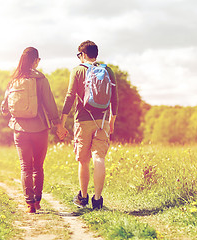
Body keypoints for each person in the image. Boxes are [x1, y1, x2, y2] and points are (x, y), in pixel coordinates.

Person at [1, 47, 67, 213]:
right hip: (40, 128)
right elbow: (50, 104)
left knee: (25, 167)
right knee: (38, 166)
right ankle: (37, 201)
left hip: (19, 129)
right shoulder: (41, 79)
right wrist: (58, 124)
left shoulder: (14, 80)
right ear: (36, 61)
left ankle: (29, 204)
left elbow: (4, 107)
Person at [61, 40, 118, 209]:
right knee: (99, 158)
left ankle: (83, 197)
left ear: (83, 55)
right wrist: (111, 122)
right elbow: (114, 100)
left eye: (79, 55)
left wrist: (62, 122)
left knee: (84, 160)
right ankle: (98, 199)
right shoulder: (108, 71)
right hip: (103, 121)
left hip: (83, 121)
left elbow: (70, 96)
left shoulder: (78, 70)